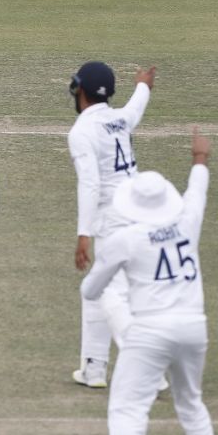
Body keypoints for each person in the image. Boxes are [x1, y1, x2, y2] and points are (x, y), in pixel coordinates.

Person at [80, 129, 218, 435]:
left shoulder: (125, 238)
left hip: (150, 332)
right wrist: (199, 158)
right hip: (194, 328)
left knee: (126, 410)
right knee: (192, 404)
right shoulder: (186, 223)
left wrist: (104, 267)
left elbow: (91, 289)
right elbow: (197, 189)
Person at [67, 61, 157, 388]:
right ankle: (93, 368)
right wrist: (144, 85)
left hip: (111, 218)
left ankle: (146, 365)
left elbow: (89, 184)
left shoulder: (82, 131)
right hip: (138, 212)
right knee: (98, 291)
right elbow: (136, 108)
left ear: (80, 92)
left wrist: (83, 234)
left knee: (106, 290)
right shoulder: (119, 119)